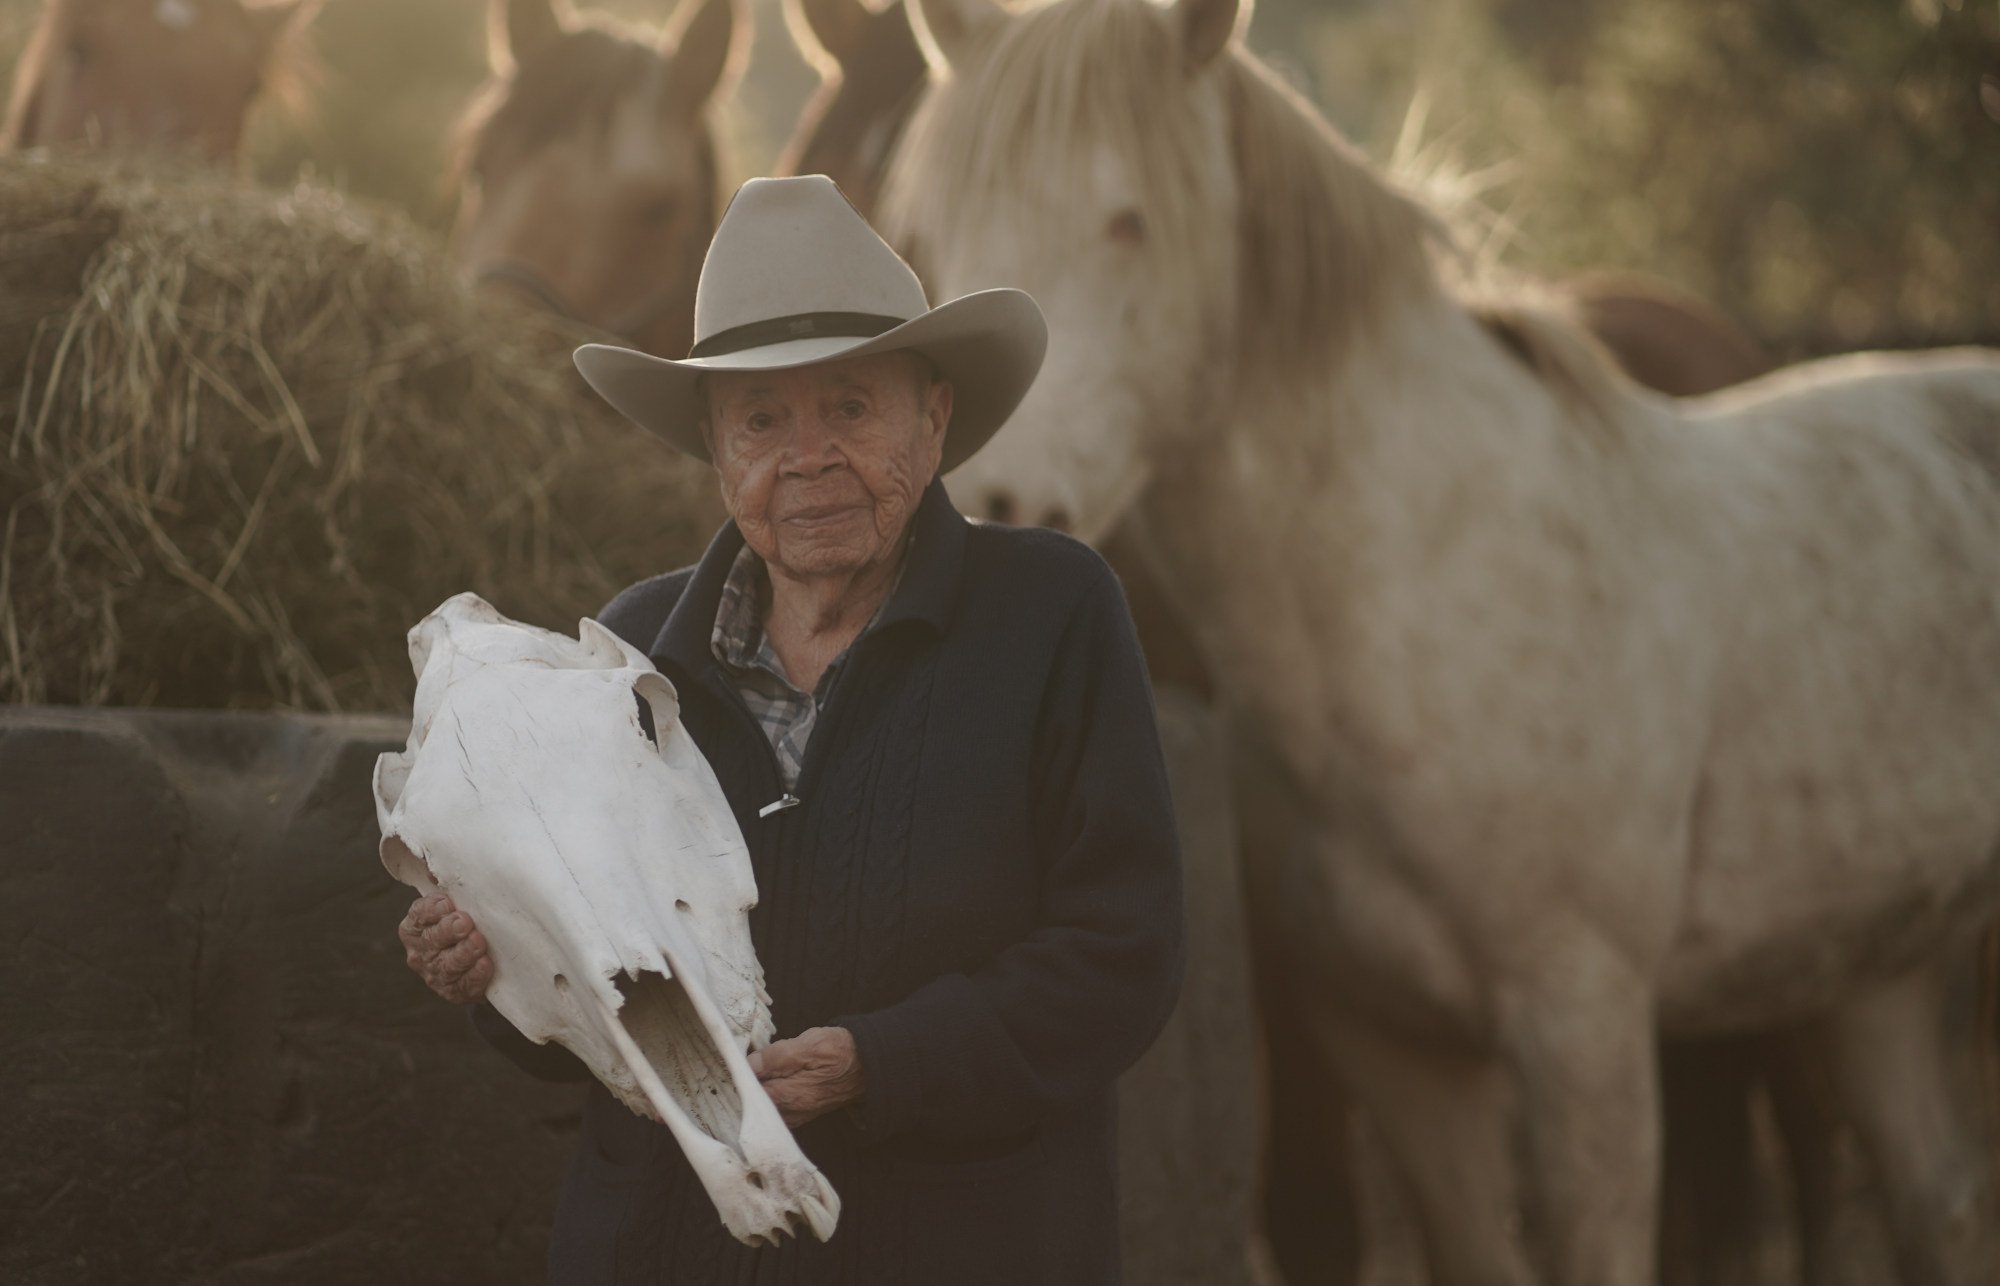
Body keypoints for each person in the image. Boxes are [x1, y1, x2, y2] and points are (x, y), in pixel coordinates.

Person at [395, 174, 1185, 1285]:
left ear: (935, 413)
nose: (805, 456)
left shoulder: (1049, 612)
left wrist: (881, 1061)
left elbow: (1122, 953)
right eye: (761, 419)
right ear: (717, 451)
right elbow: (575, 989)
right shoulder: (628, 655)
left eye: (850, 407)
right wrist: (488, 965)